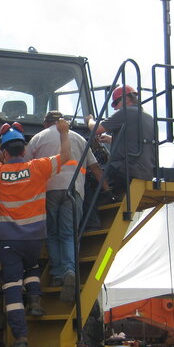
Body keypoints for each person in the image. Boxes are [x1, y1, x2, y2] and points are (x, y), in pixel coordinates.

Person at [0, 118, 71, 347]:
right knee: (32, 267)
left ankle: (21, 336)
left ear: (5, 153)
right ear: (25, 149)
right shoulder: (38, 167)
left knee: (12, 287)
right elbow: (66, 157)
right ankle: (36, 303)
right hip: (35, 237)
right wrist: (64, 133)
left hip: (9, 240)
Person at [27, 111, 103, 303]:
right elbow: (95, 167)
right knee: (69, 233)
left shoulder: (38, 138)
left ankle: (57, 274)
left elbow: (25, 165)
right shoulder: (78, 138)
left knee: (53, 233)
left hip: (49, 191)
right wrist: (109, 189)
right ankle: (70, 269)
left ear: (46, 123)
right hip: (74, 191)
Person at [92, 85, 156, 195]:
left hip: (125, 170)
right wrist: (111, 140)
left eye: (116, 103)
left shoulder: (126, 112)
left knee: (91, 178)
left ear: (126, 99)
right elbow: (136, 143)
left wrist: (89, 120)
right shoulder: (150, 118)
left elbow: (96, 129)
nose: (115, 108)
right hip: (147, 172)